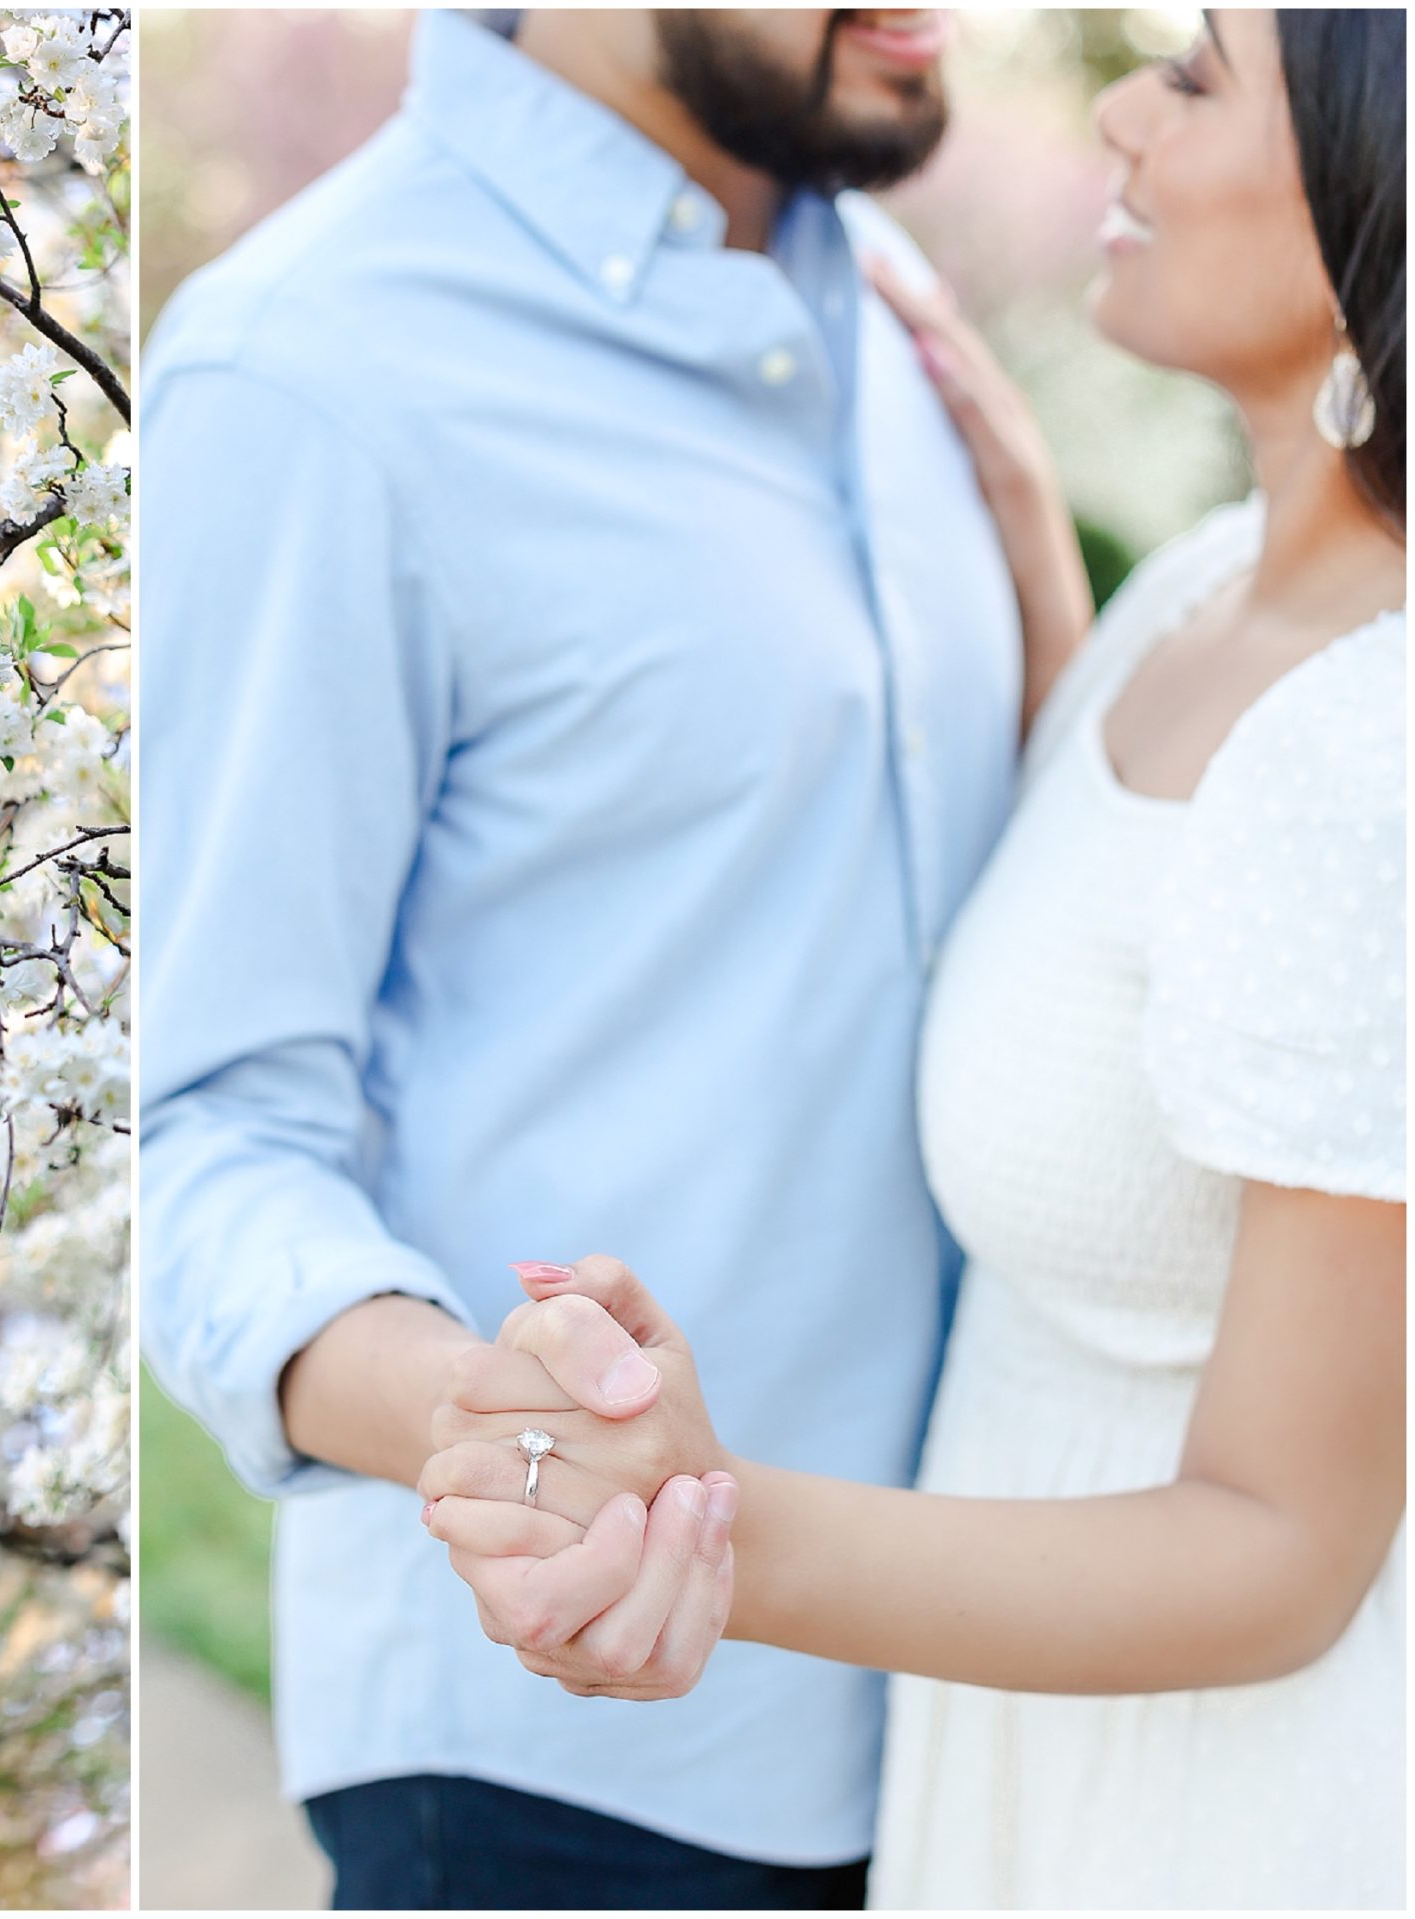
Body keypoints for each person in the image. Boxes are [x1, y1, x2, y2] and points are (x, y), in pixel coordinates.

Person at [422, 9, 1407, 1908]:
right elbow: (1136, 945)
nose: (1121, 101)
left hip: (1226, 1808)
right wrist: (1032, 578)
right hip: (1045, 1749)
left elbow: (1285, 1546)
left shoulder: (1369, 750)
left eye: (1198, 75)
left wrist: (697, 1523)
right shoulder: (1202, 595)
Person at [142, 8, 1020, 1906]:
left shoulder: (894, 305)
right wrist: (489, 1426)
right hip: (568, 1776)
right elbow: (195, 1134)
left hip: (983, 1741)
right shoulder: (311, 368)